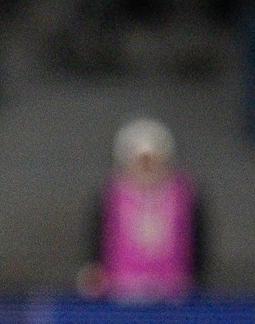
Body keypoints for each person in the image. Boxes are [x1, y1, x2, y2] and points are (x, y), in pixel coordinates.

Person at [80, 118, 208, 302]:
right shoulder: (112, 195)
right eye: (140, 161)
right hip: (123, 291)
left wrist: (198, 281)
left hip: (175, 291)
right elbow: (98, 237)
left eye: (152, 160)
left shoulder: (184, 194)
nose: (146, 168)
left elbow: (198, 240)